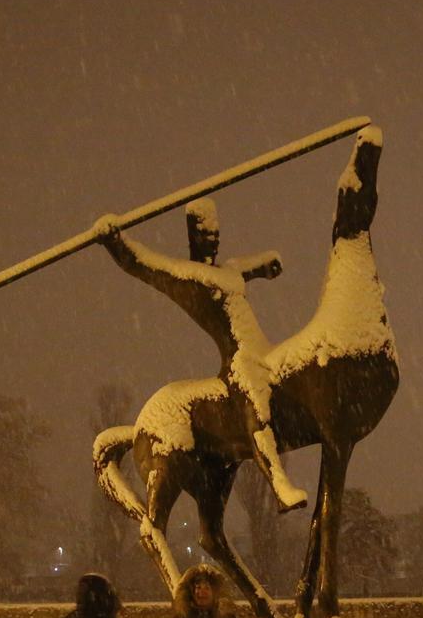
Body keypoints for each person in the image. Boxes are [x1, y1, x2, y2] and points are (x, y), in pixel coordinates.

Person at [93, 201, 308, 513]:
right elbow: (142, 264)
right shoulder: (188, 278)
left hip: (264, 350)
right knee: (255, 405)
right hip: (239, 361)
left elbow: (254, 266)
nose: (211, 239)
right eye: (204, 234)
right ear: (193, 239)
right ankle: (279, 484)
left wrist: (268, 265)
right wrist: (116, 242)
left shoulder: (228, 271)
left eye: (214, 233)